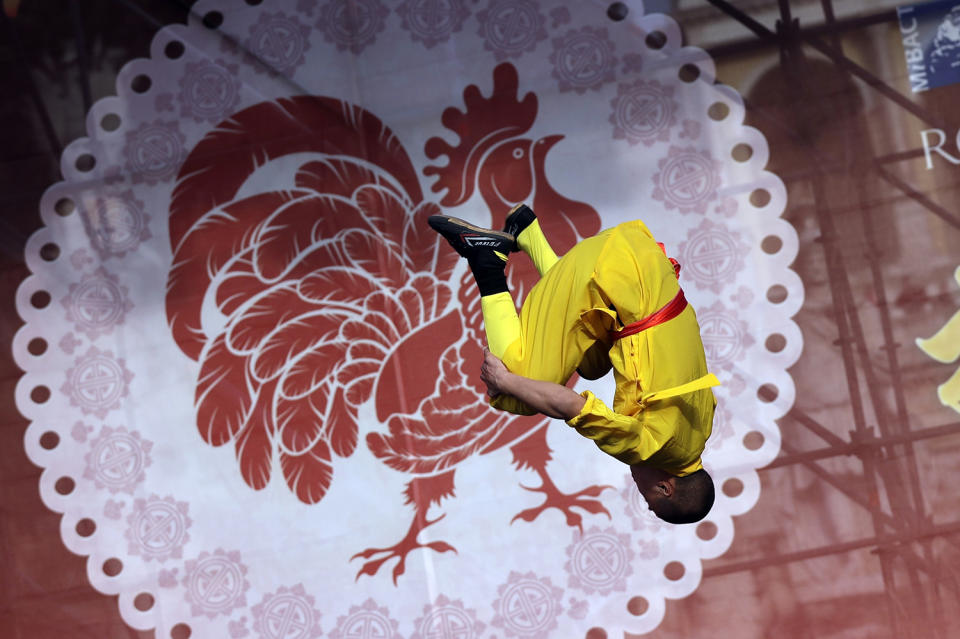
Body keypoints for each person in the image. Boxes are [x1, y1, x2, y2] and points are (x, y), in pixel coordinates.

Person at [428, 205, 719, 524]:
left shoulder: (699, 429)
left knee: (592, 366)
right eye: (647, 497)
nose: (638, 488)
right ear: (665, 488)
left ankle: (529, 234)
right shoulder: (649, 449)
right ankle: (486, 258)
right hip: (610, 273)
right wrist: (503, 382)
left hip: (638, 255)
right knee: (516, 388)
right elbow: (570, 405)